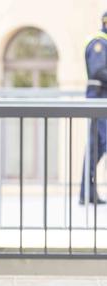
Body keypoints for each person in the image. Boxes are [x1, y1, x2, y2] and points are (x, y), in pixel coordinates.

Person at [81, 11, 107, 205]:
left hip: (100, 103)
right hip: (100, 103)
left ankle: (87, 192)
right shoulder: (99, 43)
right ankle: (86, 192)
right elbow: (99, 71)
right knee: (97, 146)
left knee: (95, 148)